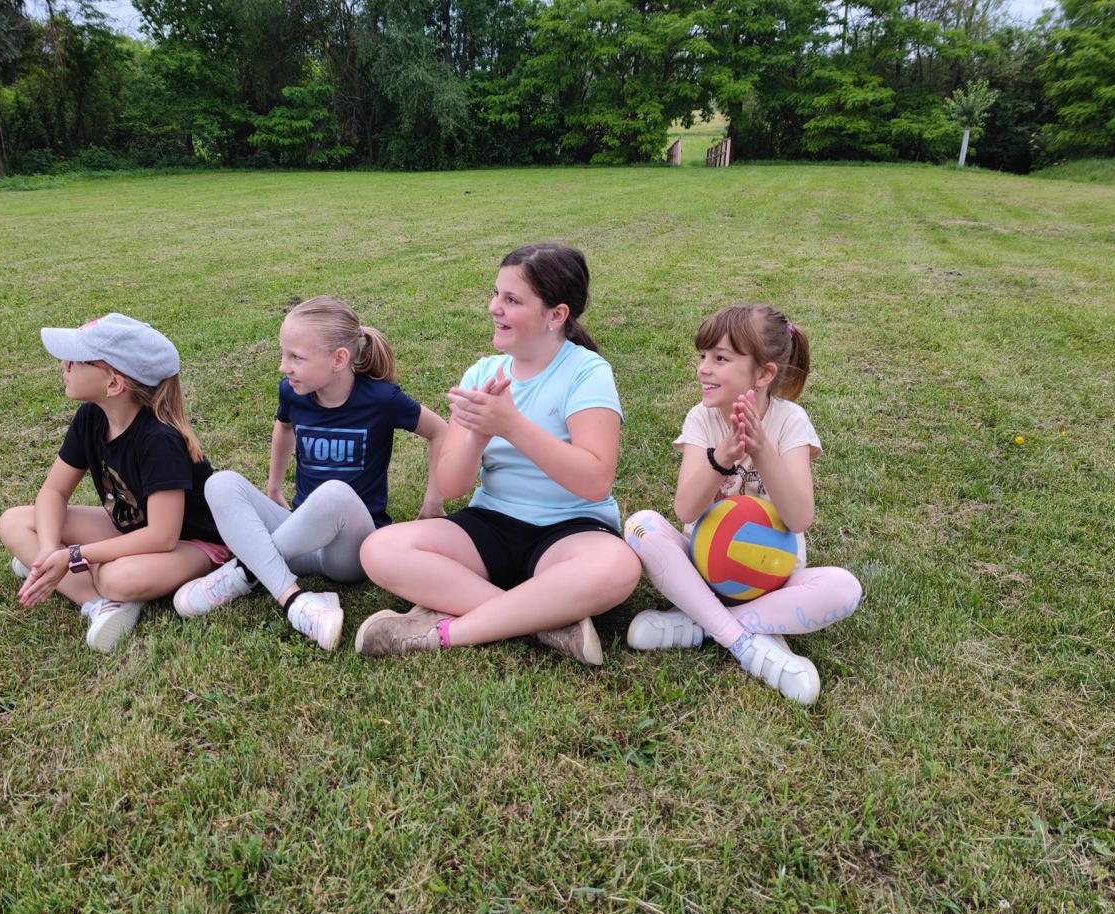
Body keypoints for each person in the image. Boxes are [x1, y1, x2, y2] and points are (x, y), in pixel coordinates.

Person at [354, 243, 641, 664]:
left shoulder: (587, 372)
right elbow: (451, 486)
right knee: (379, 549)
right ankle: (546, 620)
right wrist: (478, 436)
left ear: (556, 315)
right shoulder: (483, 373)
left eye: (512, 300)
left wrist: (512, 426)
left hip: (571, 530)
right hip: (490, 523)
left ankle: (444, 632)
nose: (494, 308)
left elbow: (595, 481)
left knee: (617, 567)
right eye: (495, 294)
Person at [172, 296, 447, 649]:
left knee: (334, 492)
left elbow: (440, 432)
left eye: (296, 358)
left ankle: (246, 570)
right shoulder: (293, 392)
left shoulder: (381, 399)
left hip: (349, 551)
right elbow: (284, 427)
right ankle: (292, 595)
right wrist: (273, 488)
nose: (283, 367)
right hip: (299, 536)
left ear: (339, 359)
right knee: (220, 484)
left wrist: (433, 503)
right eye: (283, 354)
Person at [623, 304, 862, 704]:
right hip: (703, 572)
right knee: (640, 525)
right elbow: (685, 511)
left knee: (844, 588)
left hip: (773, 583)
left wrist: (762, 449)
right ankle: (746, 642)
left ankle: (700, 624)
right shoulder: (702, 419)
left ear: (764, 374)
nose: (703, 368)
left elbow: (799, 517)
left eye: (720, 359)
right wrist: (722, 458)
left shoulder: (791, 421)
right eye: (703, 356)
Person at [0, 313, 228, 654]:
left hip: (190, 543)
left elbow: (162, 537)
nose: (64, 366)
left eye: (77, 361)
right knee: (14, 521)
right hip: (130, 529)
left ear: (114, 384)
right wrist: (47, 548)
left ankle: (95, 584)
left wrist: (73, 555)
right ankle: (97, 603)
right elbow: (54, 491)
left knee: (115, 578)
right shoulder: (91, 416)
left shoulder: (159, 440)